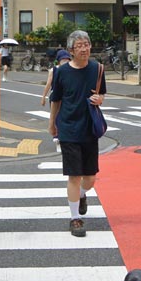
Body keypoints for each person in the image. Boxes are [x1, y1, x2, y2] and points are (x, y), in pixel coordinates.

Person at [48, 30, 105, 238]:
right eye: (79, 45)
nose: (84, 48)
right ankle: (75, 218)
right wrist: (52, 123)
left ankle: (81, 195)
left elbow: (102, 94)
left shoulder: (97, 69)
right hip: (69, 128)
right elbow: (56, 99)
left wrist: (100, 100)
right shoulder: (61, 72)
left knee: (89, 179)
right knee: (74, 175)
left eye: (86, 44)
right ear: (71, 50)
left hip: (89, 128)